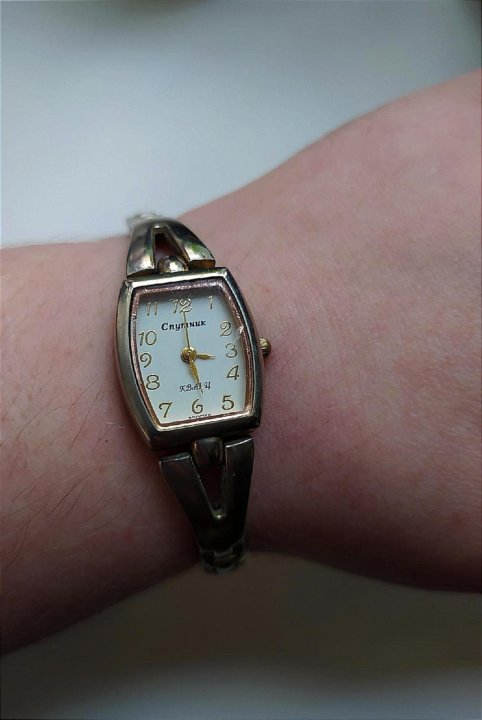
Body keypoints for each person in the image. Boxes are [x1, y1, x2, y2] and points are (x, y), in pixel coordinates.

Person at [1, 71, 480, 653]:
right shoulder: (156, 315)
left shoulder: (207, 322)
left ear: (254, 347)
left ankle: (220, 546)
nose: (193, 352)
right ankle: (219, 546)